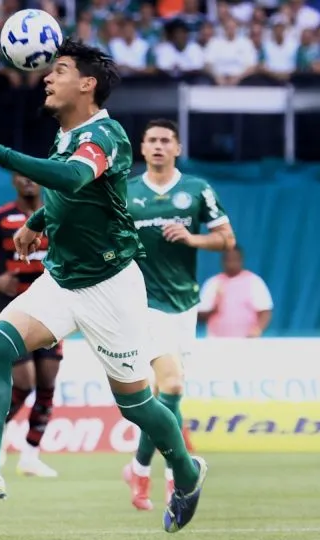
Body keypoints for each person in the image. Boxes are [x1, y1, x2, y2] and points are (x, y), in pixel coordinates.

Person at [0, 39, 207, 534]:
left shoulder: (106, 134)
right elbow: (72, 195)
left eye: (61, 70)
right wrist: (40, 219)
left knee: (135, 405)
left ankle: (185, 470)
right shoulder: (66, 134)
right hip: (63, 279)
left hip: (111, 289)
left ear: (87, 84)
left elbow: (73, 179)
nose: (48, 77)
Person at [123, 119, 236, 511]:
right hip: (143, 305)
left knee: (163, 394)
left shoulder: (196, 190)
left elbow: (227, 239)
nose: (158, 146)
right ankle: (171, 474)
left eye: (165, 140)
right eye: (151, 140)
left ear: (177, 147)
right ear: (142, 148)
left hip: (184, 305)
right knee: (171, 386)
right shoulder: (125, 191)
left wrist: (192, 238)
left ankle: (138, 467)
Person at [0, 173, 61, 478]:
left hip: (52, 313)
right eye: (23, 176)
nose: (30, 181)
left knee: (47, 382)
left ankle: (31, 455)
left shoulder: (57, 214)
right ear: (13, 182)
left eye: (35, 176)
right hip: (12, 313)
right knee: (24, 381)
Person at [198, 246, 272, 338]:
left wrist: (257, 329)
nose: (231, 263)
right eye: (228, 260)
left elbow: (265, 311)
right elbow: (199, 315)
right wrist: (214, 308)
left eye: (234, 259)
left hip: (246, 342)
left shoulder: (254, 281)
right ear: (222, 261)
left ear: (241, 260)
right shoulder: (213, 283)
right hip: (216, 342)